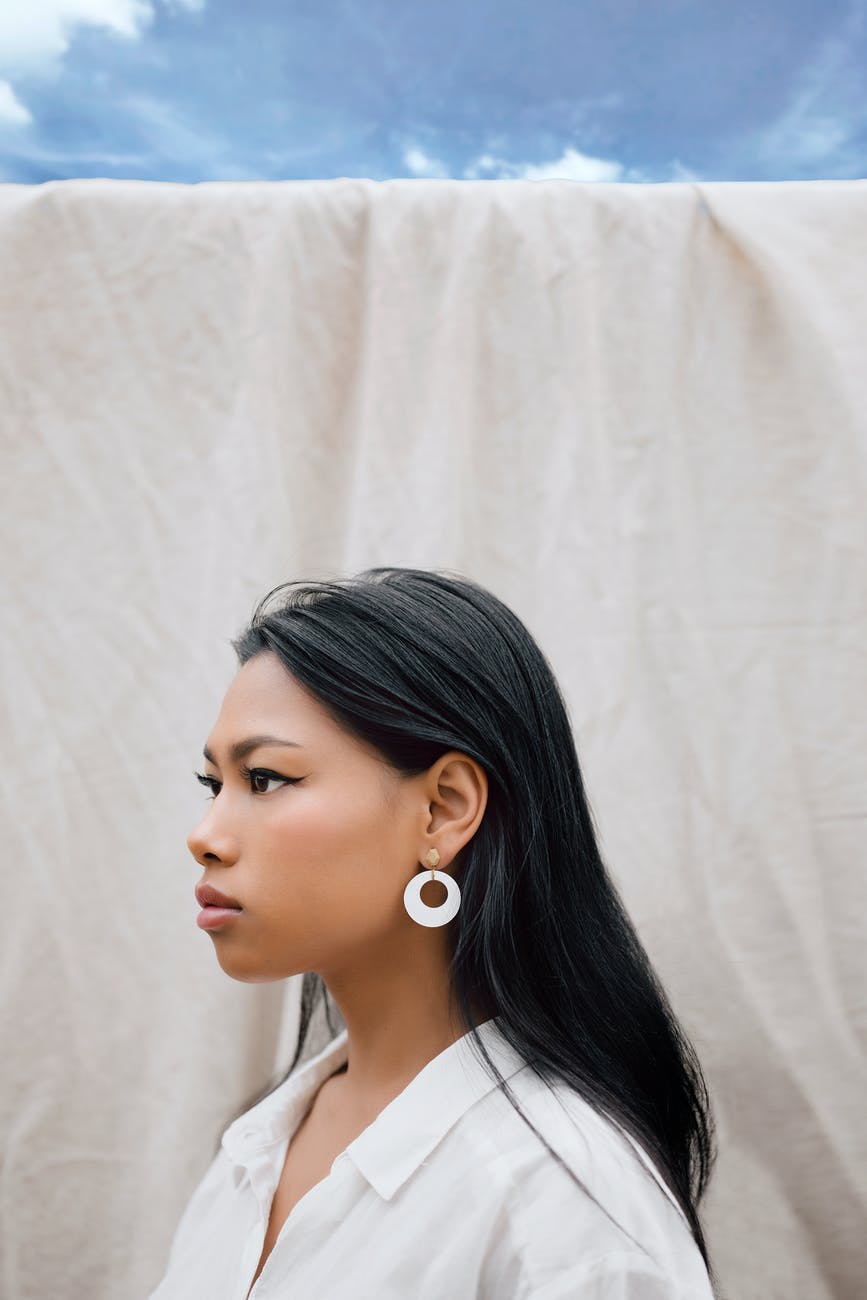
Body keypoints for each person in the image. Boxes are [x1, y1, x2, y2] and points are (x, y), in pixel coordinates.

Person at [148, 566, 720, 1300]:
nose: (205, 836)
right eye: (212, 786)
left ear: (444, 811)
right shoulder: (255, 1148)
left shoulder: (565, 1201)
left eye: (263, 778)